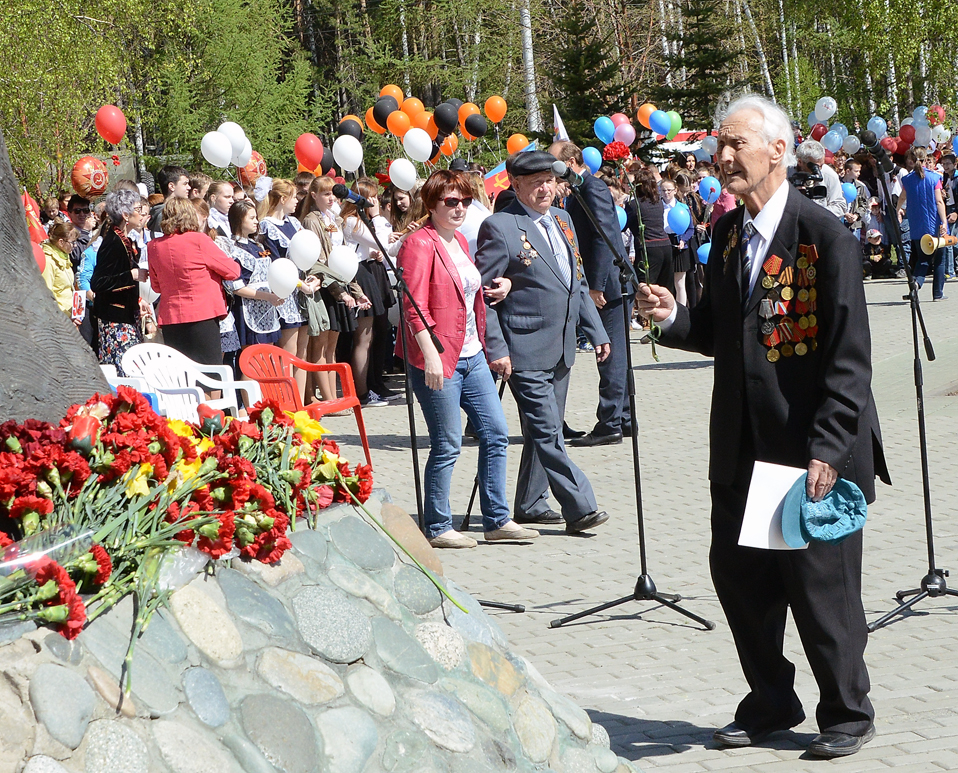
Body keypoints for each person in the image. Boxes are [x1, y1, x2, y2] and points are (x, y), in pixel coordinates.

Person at [636, 93, 889, 759]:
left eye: (734, 144)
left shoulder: (822, 236)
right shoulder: (726, 234)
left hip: (807, 449)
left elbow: (848, 357)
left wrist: (830, 448)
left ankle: (847, 709)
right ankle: (771, 698)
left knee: (818, 585)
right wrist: (670, 317)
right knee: (742, 579)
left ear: (778, 150)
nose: (721, 157)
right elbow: (721, 332)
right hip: (743, 446)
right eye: (718, 146)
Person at [474, 150, 611, 533]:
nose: (545, 188)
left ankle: (531, 503)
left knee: (540, 433)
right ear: (515, 185)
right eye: (535, 183)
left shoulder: (564, 220)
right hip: (523, 348)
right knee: (549, 430)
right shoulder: (500, 226)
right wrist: (497, 348)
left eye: (549, 180)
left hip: (563, 344)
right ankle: (580, 506)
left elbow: (576, 284)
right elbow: (483, 295)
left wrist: (597, 331)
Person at [398, 170, 537, 547]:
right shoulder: (418, 244)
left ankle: (496, 520)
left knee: (496, 434)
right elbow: (413, 308)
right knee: (447, 444)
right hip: (439, 357)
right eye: (450, 202)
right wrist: (429, 355)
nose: (460, 208)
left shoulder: (459, 239)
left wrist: (503, 288)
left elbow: (471, 292)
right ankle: (439, 526)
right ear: (431, 204)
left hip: (473, 355)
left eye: (465, 201)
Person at [549, 141, 632, 446]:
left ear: (570, 162)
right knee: (617, 353)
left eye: (554, 162)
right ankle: (623, 418)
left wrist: (595, 285)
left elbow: (602, 236)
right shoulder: (580, 188)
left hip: (608, 285)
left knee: (610, 353)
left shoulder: (592, 187)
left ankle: (610, 423)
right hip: (607, 283)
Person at [298, 176, 371, 404]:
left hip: (340, 285)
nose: (331, 198)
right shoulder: (312, 220)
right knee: (319, 346)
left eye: (333, 194)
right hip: (324, 287)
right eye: (325, 194)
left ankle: (333, 396)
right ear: (314, 196)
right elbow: (318, 261)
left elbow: (343, 259)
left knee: (333, 347)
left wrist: (357, 291)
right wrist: (341, 292)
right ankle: (326, 398)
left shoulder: (336, 219)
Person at [147, 198, 241, 364]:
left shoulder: (153, 246)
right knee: (211, 374)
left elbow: (156, 286)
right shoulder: (198, 240)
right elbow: (233, 271)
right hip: (202, 314)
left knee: (181, 375)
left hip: (171, 318)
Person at [342, 178, 398, 406]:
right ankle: (362, 393)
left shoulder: (359, 221)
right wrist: (377, 217)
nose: (375, 201)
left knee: (373, 334)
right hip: (359, 273)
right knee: (363, 338)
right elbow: (381, 242)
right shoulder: (352, 221)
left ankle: (371, 385)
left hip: (367, 268)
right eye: (371, 196)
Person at [259, 179, 317, 397]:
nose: (296, 202)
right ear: (283, 199)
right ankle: (286, 401)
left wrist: (312, 278)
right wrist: (299, 283)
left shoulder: (294, 223)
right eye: (293, 197)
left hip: (303, 289)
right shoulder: (266, 225)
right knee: (288, 350)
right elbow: (275, 262)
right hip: (286, 291)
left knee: (302, 351)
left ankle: (299, 401)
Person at [216, 200, 283, 375]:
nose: (256, 221)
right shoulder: (233, 249)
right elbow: (237, 287)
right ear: (239, 220)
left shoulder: (258, 245)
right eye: (251, 218)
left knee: (268, 361)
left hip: (267, 308)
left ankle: (267, 400)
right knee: (252, 363)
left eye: (256, 217)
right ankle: (253, 402)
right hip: (248, 310)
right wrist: (267, 296)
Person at [92, 189, 150, 373]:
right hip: (115, 322)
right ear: (125, 215)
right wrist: (131, 275)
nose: (141, 214)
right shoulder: (113, 242)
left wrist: (137, 300)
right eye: (138, 209)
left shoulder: (124, 239)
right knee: (124, 371)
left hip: (126, 317)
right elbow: (98, 282)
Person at [897, 146, 948, 300]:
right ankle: (938, 293)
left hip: (917, 226)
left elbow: (902, 197)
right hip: (935, 226)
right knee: (939, 259)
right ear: (926, 160)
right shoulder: (934, 178)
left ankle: (915, 285)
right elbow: (939, 201)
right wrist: (944, 222)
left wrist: (898, 209)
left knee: (922, 259)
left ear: (912, 161)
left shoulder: (907, 179)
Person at [794, 140, 847, 218]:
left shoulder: (829, 175)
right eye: (815, 167)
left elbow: (840, 206)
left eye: (821, 165)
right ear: (800, 162)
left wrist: (815, 213)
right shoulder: (785, 171)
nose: (819, 170)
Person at [40, 221, 78, 317]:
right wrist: (65, 316)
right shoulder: (48, 261)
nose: (75, 245)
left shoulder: (63, 256)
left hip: (70, 315)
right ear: (61, 242)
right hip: (59, 318)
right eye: (72, 242)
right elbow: (46, 295)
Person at [148, 165, 190, 233]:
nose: (189, 187)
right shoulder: (164, 215)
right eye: (185, 184)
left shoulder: (177, 211)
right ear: (171, 186)